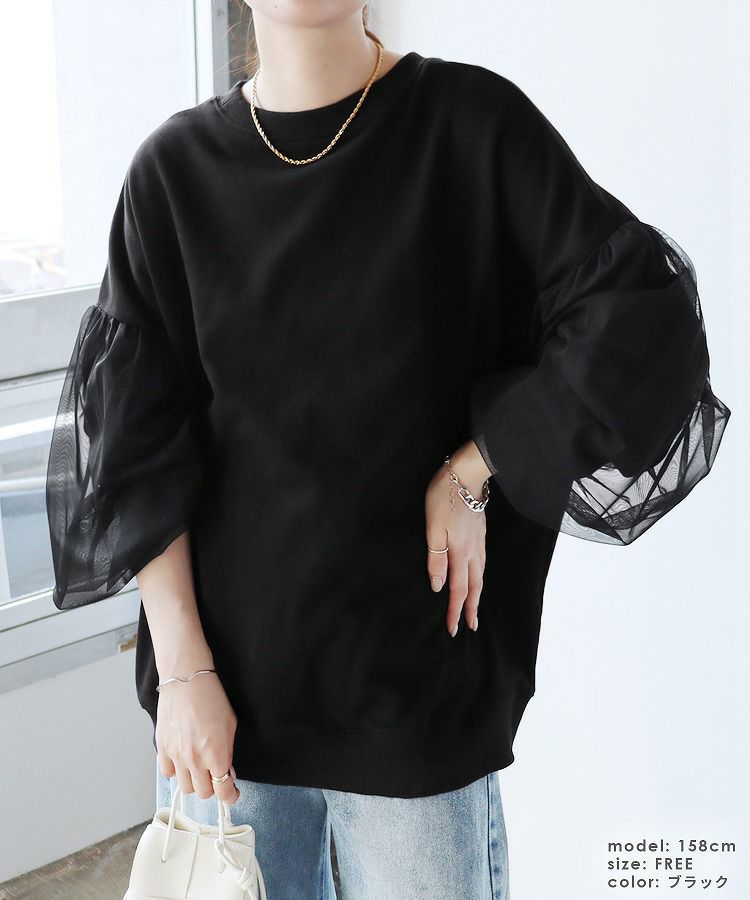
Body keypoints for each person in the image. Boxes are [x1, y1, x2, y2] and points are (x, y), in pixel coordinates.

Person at [45, 2, 731, 898]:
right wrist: (182, 674)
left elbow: (639, 313)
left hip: (418, 705)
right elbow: (133, 449)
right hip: (225, 711)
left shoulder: (471, 127)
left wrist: (476, 465)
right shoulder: (172, 175)